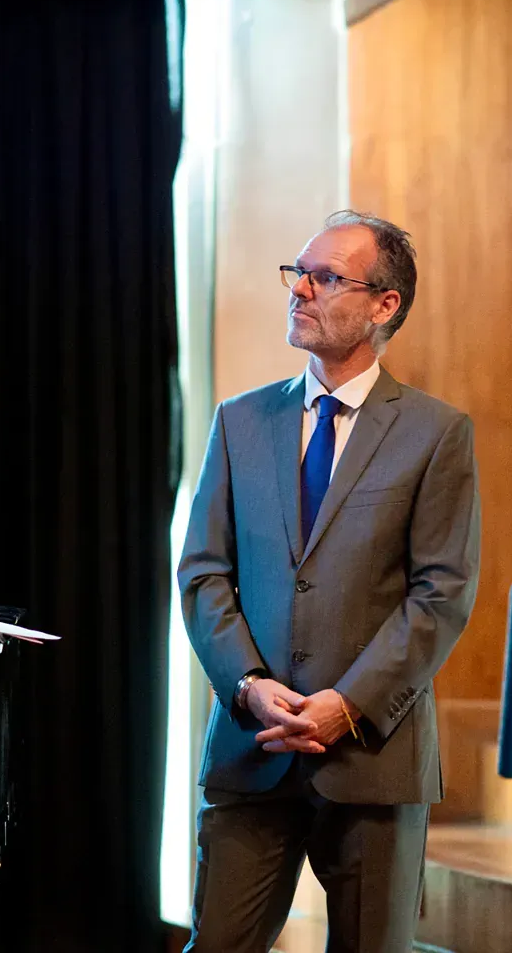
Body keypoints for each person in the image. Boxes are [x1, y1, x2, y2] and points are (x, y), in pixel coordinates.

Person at [177, 209, 481, 953]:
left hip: (373, 760)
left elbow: (440, 594)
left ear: (385, 306)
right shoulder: (239, 420)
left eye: (325, 277)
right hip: (254, 747)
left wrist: (347, 705)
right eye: (297, 273)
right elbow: (203, 573)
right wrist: (247, 685)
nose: (300, 291)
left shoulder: (435, 433)